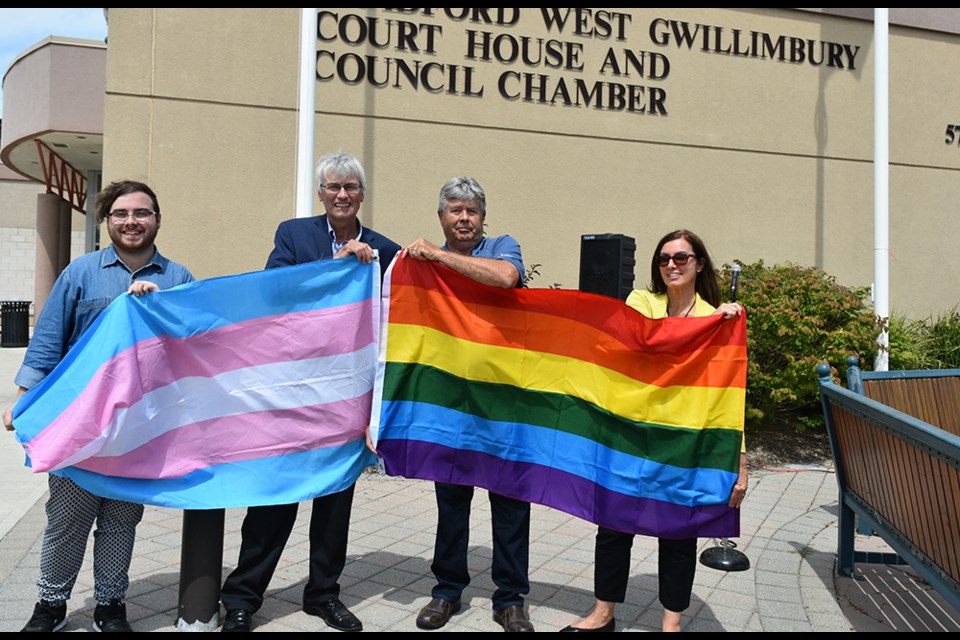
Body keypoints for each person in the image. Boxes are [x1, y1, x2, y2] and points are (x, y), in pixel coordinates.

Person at [219, 151, 401, 633]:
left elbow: (397, 321)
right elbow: (273, 292)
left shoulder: (386, 248)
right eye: (334, 187)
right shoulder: (294, 234)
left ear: (362, 194)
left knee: (334, 504)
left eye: (351, 187)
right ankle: (242, 599)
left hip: (347, 399)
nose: (343, 195)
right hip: (293, 394)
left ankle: (323, 594)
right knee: (272, 502)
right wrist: (333, 267)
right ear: (321, 193)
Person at [3, 180, 195, 633]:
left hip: (139, 428)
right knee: (67, 518)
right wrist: (23, 398)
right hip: (81, 423)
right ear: (108, 221)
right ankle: (50, 604)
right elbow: (49, 340)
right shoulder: (81, 273)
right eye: (121, 214)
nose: (132, 221)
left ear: (157, 219)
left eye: (141, 213)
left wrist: (160, 309)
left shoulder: (179, 278)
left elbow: (193, 345)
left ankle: (111, 604)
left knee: (120, 519)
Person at [561, 229, 748, 633]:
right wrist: (716, 321)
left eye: (681, 258)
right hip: (630, 436)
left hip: (684, 442)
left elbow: (729, 399)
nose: (672, 265)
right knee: (612, 525)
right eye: (664, 259)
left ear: (699, 263)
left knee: (678, 533)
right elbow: (642, 339)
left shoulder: (714, 319)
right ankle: (603, 613)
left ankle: (671, 623)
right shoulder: (642, 303)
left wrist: (740, 462)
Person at [404, 177, 534, 632]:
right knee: (452, 501)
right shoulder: (421, 265)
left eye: (472, 211)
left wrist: (438, 256)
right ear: (441, 216)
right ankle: (446, 592)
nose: (464, 218)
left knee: (511, 500)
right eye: (455, 210)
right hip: (452, 404)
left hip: (503, 400)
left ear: (483, 217)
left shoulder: (501, 246)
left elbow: (507, 277)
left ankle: (511, 599)